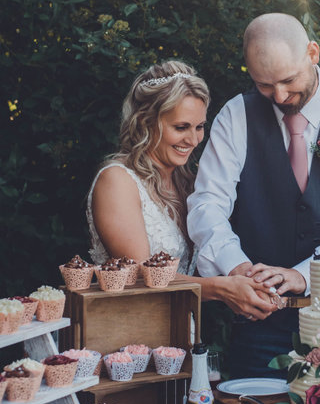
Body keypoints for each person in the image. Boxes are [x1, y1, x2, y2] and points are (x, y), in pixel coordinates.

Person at [187, 13, 320, 378]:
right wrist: (238, 268)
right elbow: (207, 204)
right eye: (264, 85)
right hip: (259, 324)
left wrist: (303, 276)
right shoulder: (236, 115)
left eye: (288, 80)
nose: (280, 96)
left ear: (313, 53)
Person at [86, 60, 276, 319]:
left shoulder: (189, 183)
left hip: (180, 331)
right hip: (127, 332)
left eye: (199, 127)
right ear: (146, 122)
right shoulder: (117, 181)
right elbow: (142, 277)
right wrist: (221, 289)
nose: (194, 140)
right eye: (181, 127)